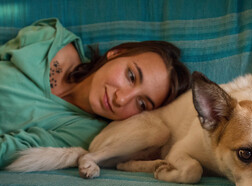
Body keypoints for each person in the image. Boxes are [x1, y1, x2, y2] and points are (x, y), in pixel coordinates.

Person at [0, 18, 191, 168]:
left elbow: (11, 152)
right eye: (131, 76)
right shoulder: (52, 39)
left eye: (141, 104)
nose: (122, 98)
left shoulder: (85, 134)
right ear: (116, 53)